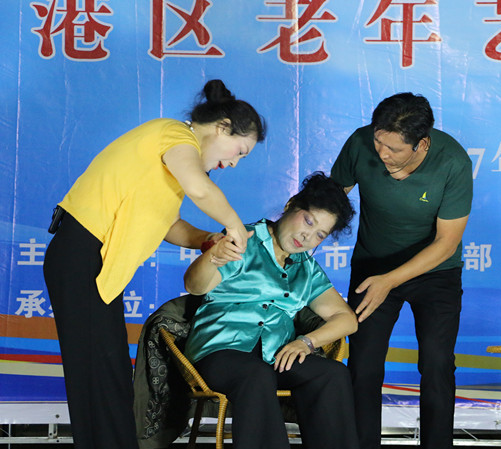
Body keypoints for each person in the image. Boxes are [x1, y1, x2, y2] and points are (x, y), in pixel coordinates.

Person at [42, 79, 265, 449]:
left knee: (110, 372)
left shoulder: (175, 160)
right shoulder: (174, 135)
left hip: (96, 263)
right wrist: (235, 226)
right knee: (96, 375)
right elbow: (199, 188)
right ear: (222, 127)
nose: (233, 163)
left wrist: (207, 240)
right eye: (239, 151)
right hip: (82, 253)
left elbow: (169, 224)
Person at [331, 92, 473, 449]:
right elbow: (331, 198)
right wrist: (302, 214)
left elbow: (446, 243)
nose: (382, 153)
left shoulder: (453, 162)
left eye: (393, 149)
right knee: (363, 364)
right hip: (373, 265)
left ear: (421, 144)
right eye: (378, 142)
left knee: (437, 364)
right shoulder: (361, 142)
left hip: (435, 270)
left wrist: (391, 281)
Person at [182, 172, 359, 449]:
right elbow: (194, 286)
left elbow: (347, 319)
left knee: (332, 374)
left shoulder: (307, 268)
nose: (308, 236)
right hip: (220, 350)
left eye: (320, 234)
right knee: (256, 374)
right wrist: (213, 256)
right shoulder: (243, 239)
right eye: (308, 221)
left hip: (275, 356)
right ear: (291, 205)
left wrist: (306, 342)